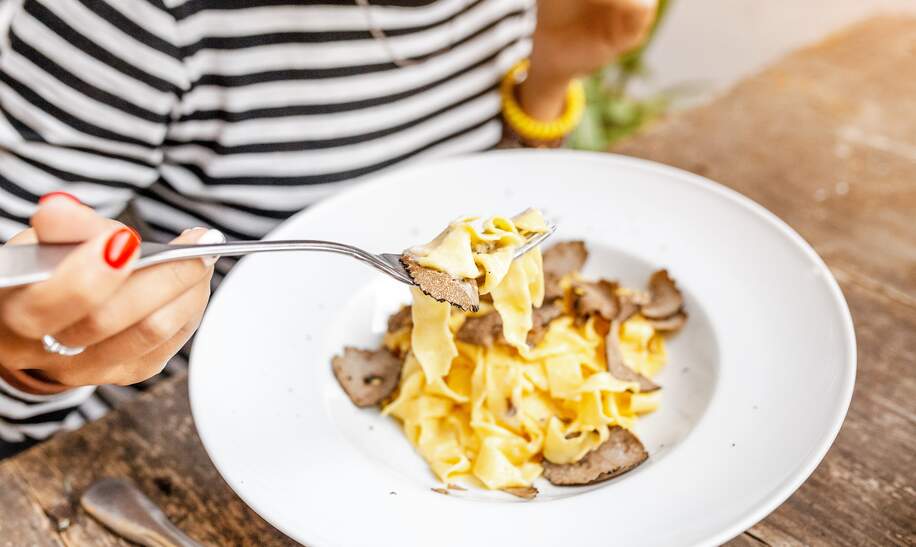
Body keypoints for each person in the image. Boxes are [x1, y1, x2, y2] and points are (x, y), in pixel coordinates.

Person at [0, 0, 656, 458]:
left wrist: (549, 79)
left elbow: (477, 210)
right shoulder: (132, 20)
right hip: (181, 435)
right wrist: (32, 360)